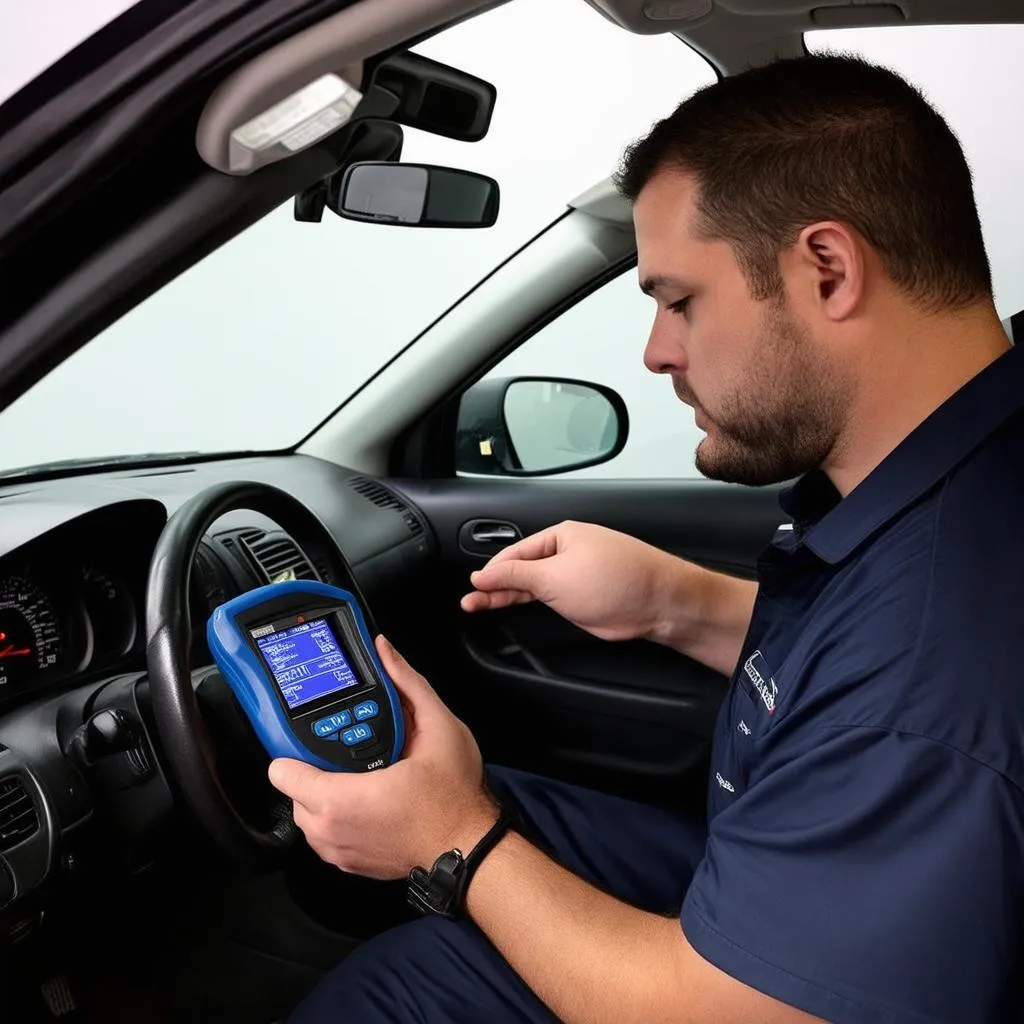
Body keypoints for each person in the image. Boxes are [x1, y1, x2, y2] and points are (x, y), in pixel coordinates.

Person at [276, 52, 1024, 1023]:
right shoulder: (956, 474)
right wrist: (675, 601)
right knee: (489, 803)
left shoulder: (934, 659)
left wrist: (453, 842)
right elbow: (847, 676)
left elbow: (724, 1008)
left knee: (395, 989)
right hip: (804, 877)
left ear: (827, 269)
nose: (656, 351)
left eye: (678, 300)